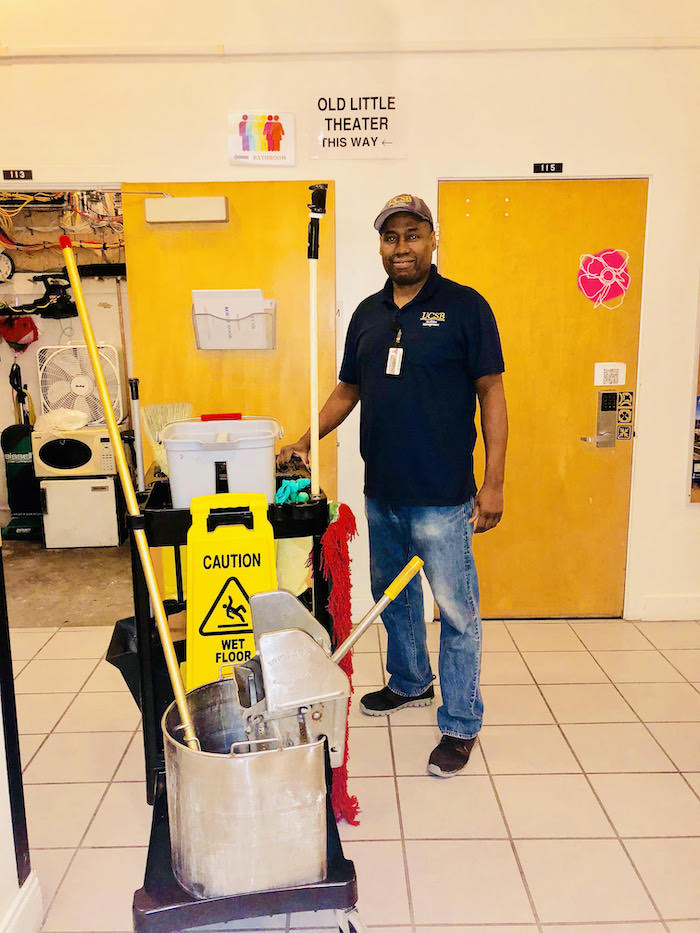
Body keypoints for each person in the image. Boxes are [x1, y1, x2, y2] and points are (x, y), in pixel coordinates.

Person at [277, 193, 507, 777]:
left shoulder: (466, 307)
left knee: (456, 614)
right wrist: (307, 438)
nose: (401, 247)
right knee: (393, 598)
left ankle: (460, 724)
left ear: (432, 241)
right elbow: (348, 390)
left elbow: (492, 394)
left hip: (444, 495)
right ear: (380, 245)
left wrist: (495, 481)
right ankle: (409, 683)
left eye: (412, 235)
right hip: (382, 491)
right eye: (391, 237)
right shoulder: (368, 314)